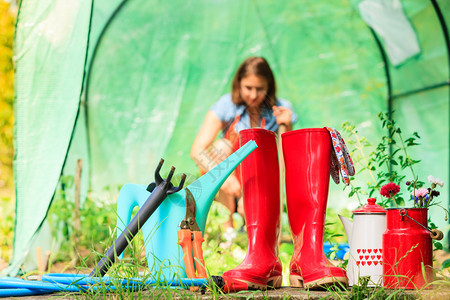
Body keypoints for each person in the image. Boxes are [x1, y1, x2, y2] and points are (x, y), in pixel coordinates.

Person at [190, 56, 297, 238]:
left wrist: (286, 126)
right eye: (248, 88)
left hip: (260, 178)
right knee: (222, 146)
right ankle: (227, 229)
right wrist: (223, 176)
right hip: (229, 183)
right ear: (239, 84)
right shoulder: (226, 105)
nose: (254, 95)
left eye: (260, 89)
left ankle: (255, 225)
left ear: (269, 86)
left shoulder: (281, 108)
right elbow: (197, 151)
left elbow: (285, 159)